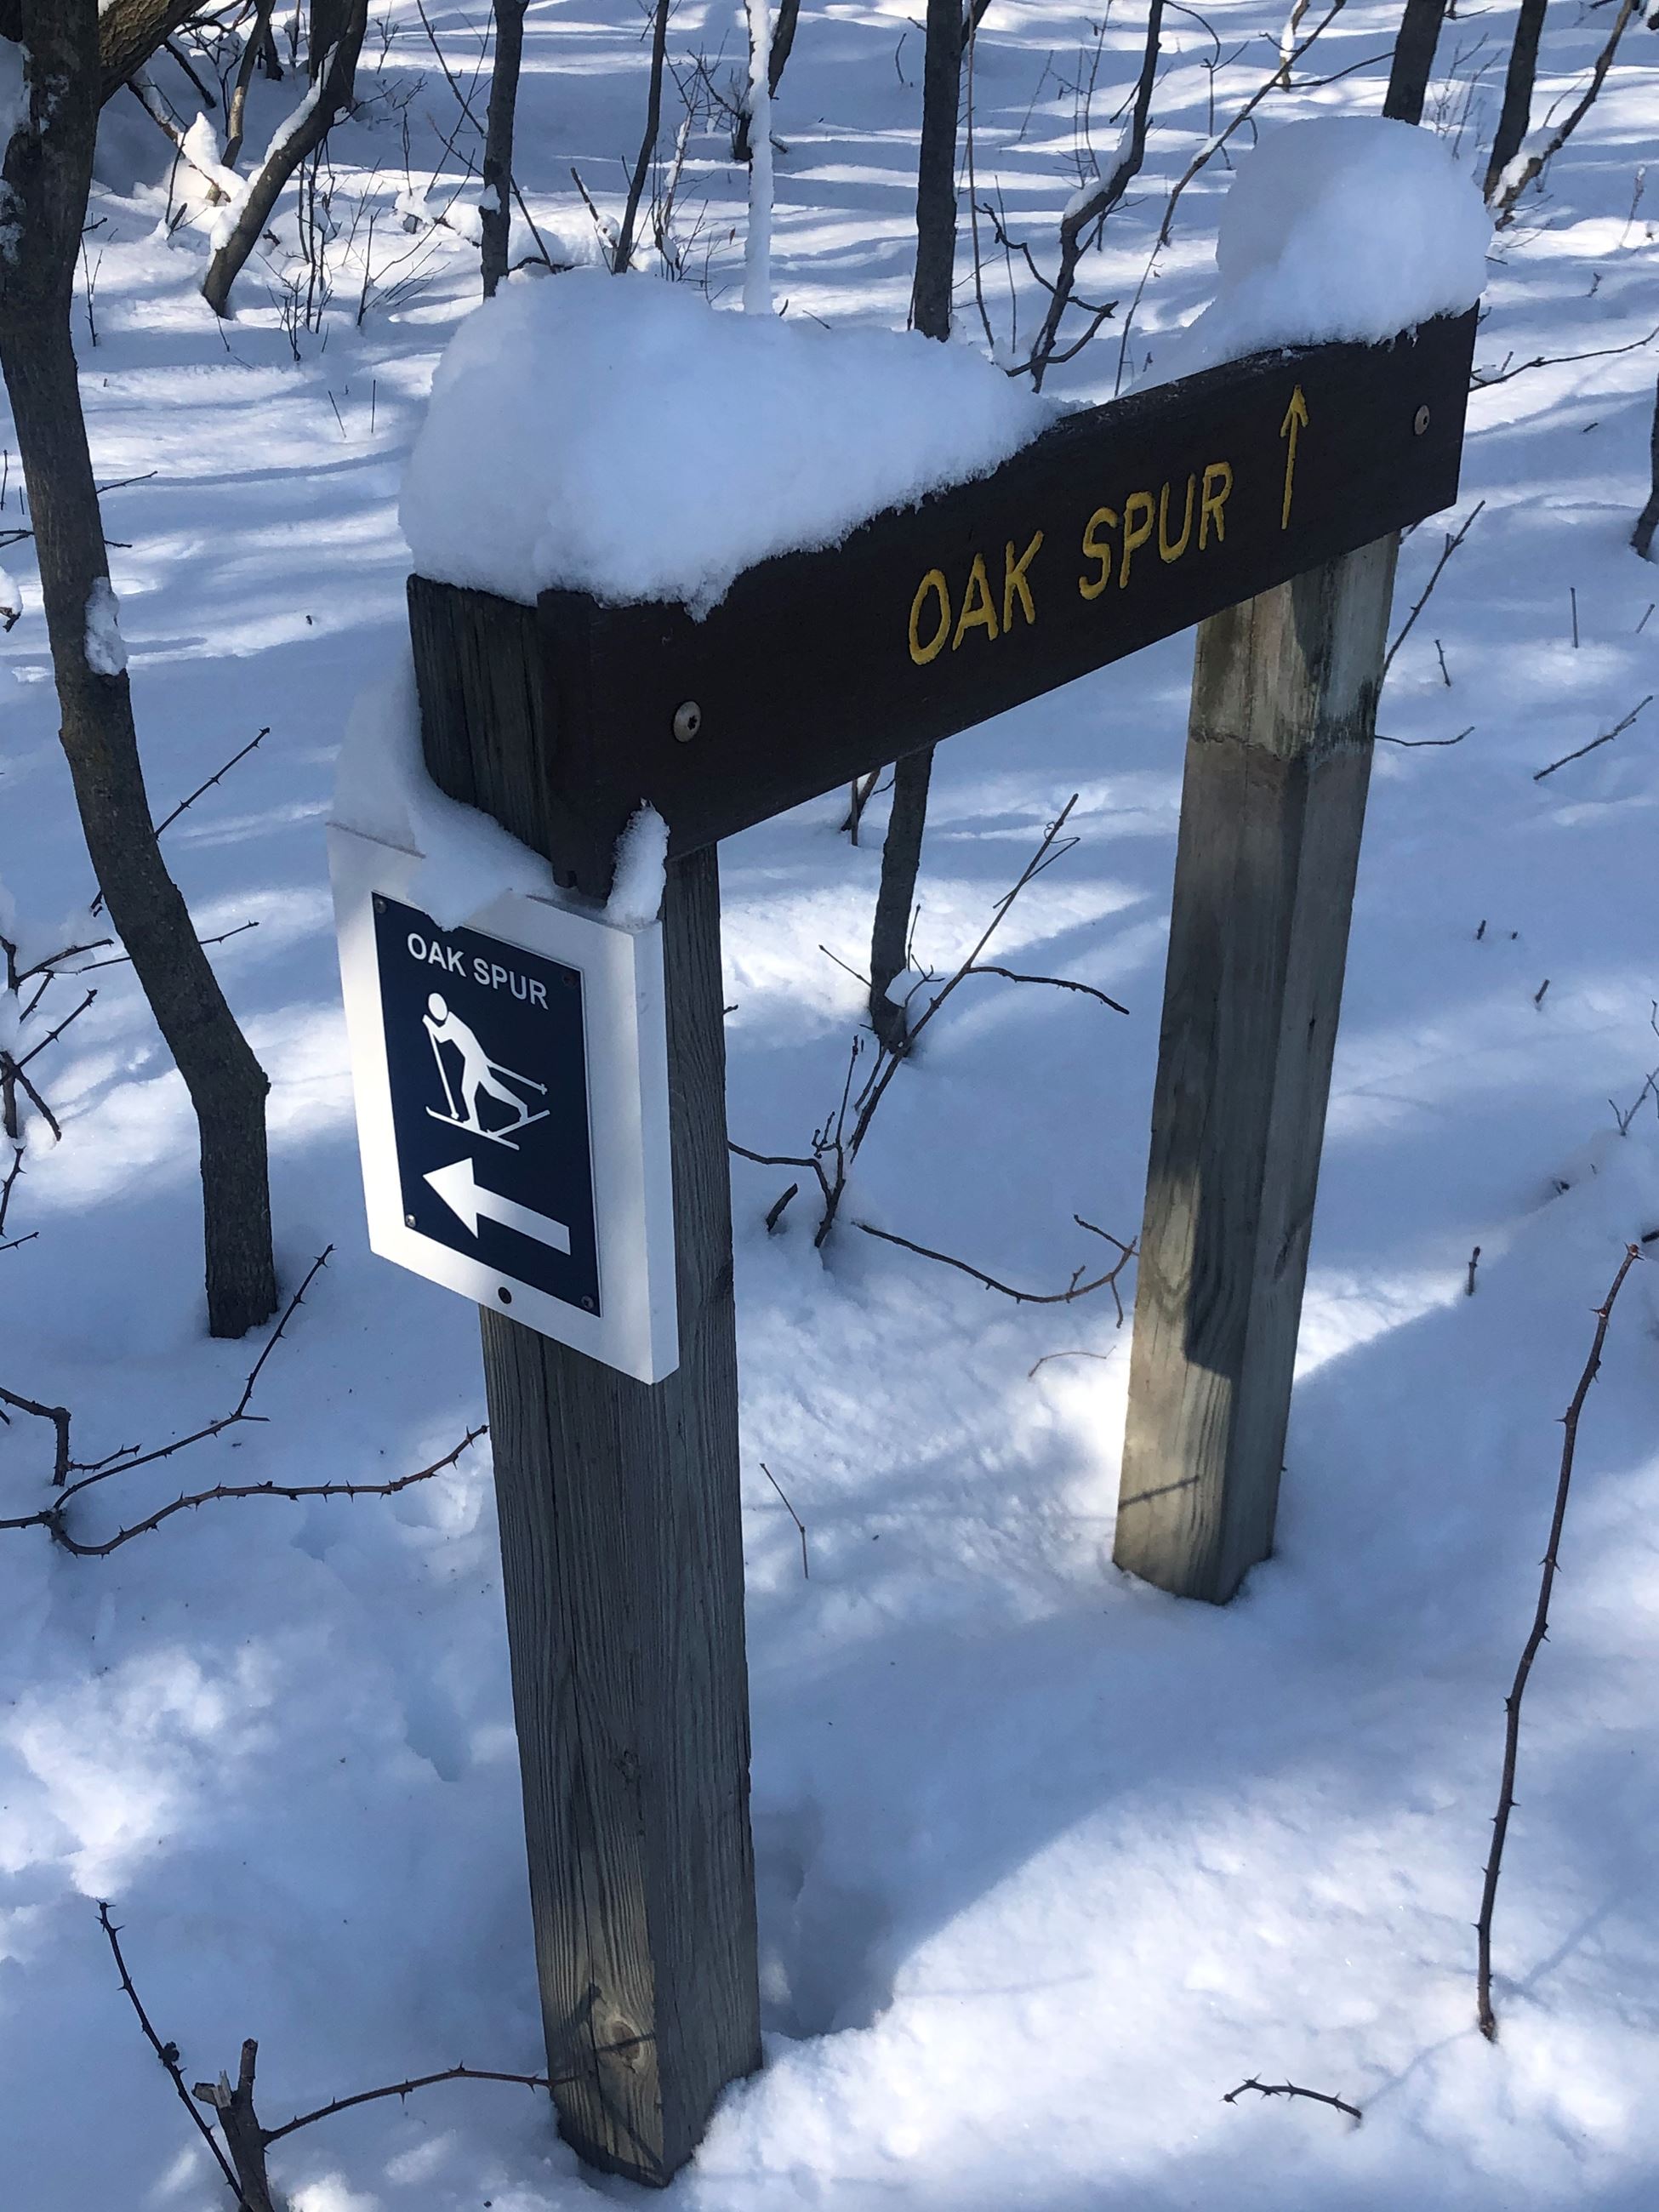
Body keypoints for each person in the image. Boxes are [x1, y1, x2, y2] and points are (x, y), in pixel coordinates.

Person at [424, 993, 545, 1136]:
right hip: (475, 1059)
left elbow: (441, 1037)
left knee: (468, 1091)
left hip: (474, 1060)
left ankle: (477, 1121)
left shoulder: (452, 1022)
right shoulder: (453, 1021)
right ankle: (522, 1107)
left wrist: (428, 1022)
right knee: (492, 1089)